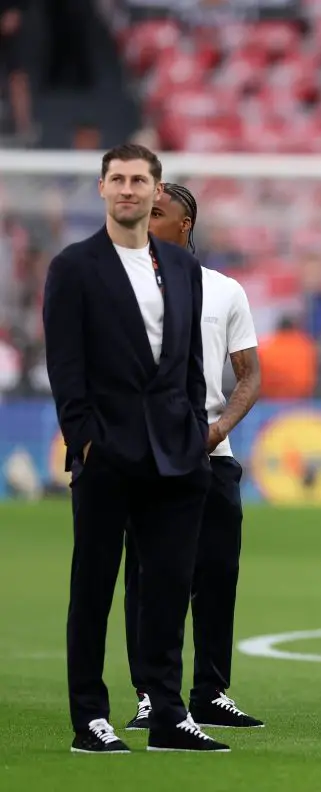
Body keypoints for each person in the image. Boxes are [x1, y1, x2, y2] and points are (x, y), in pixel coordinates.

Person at [43, 144, 228, 753]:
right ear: (101, 189)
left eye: (139, 180)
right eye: (117, 179)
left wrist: (196, 441)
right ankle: (90, 718)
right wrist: (85, 444)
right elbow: (65, 370)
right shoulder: (73, 267)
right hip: (108, 454)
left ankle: (168, 715)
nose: (128, 189)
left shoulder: (182, 269)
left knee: (169, 588)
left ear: (156, 190)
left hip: (177, 456)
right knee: (94, 588)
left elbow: (191, 366)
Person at [123, 183, 264, 729]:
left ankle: (210, 692)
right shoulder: (126, 288)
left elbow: (249, 375)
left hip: (211, 453)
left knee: (217, 576)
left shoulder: (224, 291)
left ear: (185, 224)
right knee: (147, 577)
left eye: (156, 214)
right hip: (149, 455)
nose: (144, 221)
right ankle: (149, 697)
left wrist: (219, 429)